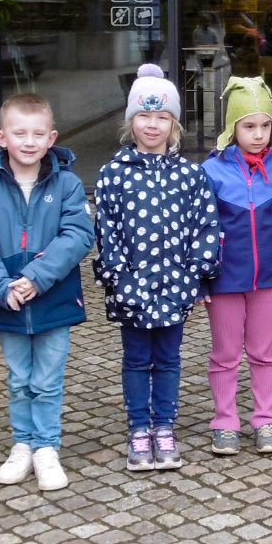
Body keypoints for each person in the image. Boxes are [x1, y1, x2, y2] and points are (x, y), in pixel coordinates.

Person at [0, 95, 95, 492]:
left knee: (48, 378)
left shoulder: (68, 184)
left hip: (52, 295)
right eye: (20, 133)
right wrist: (0, 286)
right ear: (2, 137)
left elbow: (78, 236)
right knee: (19, 378)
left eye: (38, 133)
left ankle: (46, 448)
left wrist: (37, 276)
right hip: (7, 299)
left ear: (52, 138)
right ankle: (22, 443)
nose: (29, 141)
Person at [93, 65, 222, 472]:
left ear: (174, 124)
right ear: (131, 121)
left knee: (168, 359)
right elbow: (106, 228)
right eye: (145, 116)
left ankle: (164, 426)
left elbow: (206, 226)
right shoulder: (113, 174)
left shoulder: (190, 175)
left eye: (162, 117)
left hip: (174, 287)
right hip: (132, 287)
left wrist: (195, 274)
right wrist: (116, 275)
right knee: (135, 359)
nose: (153, 125)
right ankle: (138, 429)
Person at [201, 77, 272, 456]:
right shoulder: (211, 171)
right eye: (248, 126)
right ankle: (225, 420)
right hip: (224, 279)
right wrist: (204, 279)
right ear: (232, 128)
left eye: (265, 125)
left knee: (264, 351)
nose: (258, 134)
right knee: (225, 353)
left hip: (268, 278)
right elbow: (203, 230)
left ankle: (265, 418)